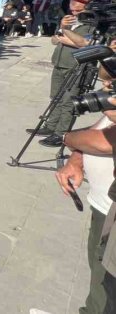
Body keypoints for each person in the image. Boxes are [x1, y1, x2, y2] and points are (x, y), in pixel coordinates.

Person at [58, 100, 116, 314]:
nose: (107, 86)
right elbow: (100, 129)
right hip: (102, 207)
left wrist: (66, 137)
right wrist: (77, 157)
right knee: (98, 272)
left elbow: (105, 141)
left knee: (106, 287)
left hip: (112, 214)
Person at [36, 0, 93, 147]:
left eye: (78, 9)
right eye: (72, 8)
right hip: (59, 63)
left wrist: (65, 34)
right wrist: (63, 35)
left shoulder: (91, 23)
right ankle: (51, 126)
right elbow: (54, 39)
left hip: (77, 66)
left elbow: (85, 44)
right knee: (55, 97)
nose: (74, 12)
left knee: (69, 102)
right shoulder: (68, 20)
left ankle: (61, 134)